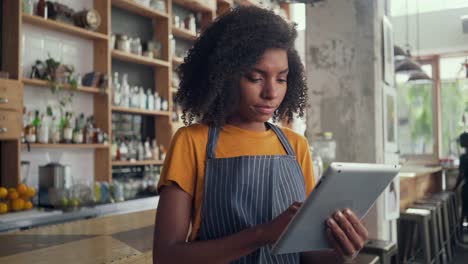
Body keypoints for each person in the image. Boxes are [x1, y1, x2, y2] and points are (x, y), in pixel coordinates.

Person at [153, 7, 368, 264]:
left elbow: (308, 255)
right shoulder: (192, 142)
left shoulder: (295, 146)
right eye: (255, 78)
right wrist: (262, 234)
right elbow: (166, 257)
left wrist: (342, 252)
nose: (271, 92)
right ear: (224, 75)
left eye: (281, 79)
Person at [454, 132, 468, 237]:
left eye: (461, 140)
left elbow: (461, 175)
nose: (460, 143)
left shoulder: (463, 157)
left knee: (464, 210)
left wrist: (454, 188)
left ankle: (459, 236)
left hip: (467, 188)